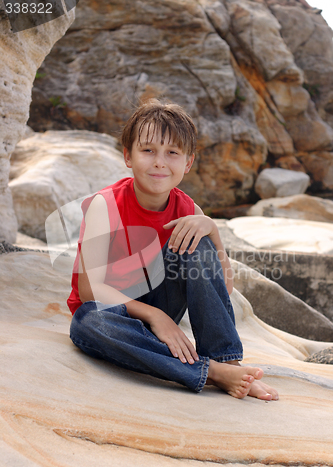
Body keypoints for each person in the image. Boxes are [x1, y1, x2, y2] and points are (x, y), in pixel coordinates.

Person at [67, 99, 279, 401]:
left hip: (161, 301)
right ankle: (212, 372)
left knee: (198, 237)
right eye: (148, 150)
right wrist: (156, 317)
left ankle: (228, 361)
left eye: (172, 153)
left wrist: (213, 231)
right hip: (112, 315)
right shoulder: (105, 205)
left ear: (188, 163)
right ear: (128, 156)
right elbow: (90, 291)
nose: (159, 162)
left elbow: (224, 287)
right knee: (88, 321)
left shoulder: (188, 209)